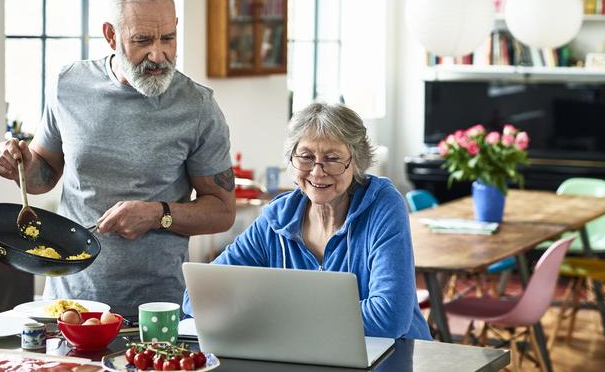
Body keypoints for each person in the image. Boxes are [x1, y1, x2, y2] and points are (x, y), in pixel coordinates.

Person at [0, 0, 236, 316]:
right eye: (142, 40)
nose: (158, 54)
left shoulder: (197, 106)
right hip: (67, 301)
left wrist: (157, 215)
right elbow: (43, 176)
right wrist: (18, 164)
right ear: (110, 35)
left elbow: (222, 210)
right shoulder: (69, 84)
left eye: (168, 38)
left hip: (155, 307)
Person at [184, 103, 432, 340]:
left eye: (333, 158)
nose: (317, 171)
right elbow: (197, 297)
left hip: (394, 357)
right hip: (310, 356)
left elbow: (390, 317)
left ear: (356, 162)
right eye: (305, 156)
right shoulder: (276, 219)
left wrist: (276, 314)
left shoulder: (383, 205)